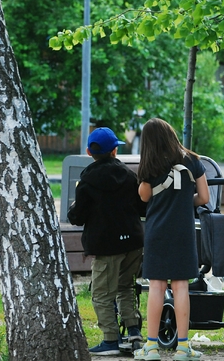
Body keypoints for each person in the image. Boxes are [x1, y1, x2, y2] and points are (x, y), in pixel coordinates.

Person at [134, 118, 210, 361]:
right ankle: (183, 347)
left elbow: (144, 197)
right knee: (181, 287)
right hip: (183, 232)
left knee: (156, 286)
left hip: (157, 232)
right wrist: (184, 201)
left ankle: (152, 347)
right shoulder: (193, 160)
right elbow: (205, 197)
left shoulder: (149, 165)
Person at [67, 127, 147, 356]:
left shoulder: (87, 181)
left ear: (89, 152)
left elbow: (77, 216)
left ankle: (111, 340)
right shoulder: (129, 174)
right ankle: (133, 332)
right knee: (126, 286)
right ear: (114, 151)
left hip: (106, 245)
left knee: (102, 293)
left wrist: (74, 209)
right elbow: (142, 206)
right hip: (133, 241)